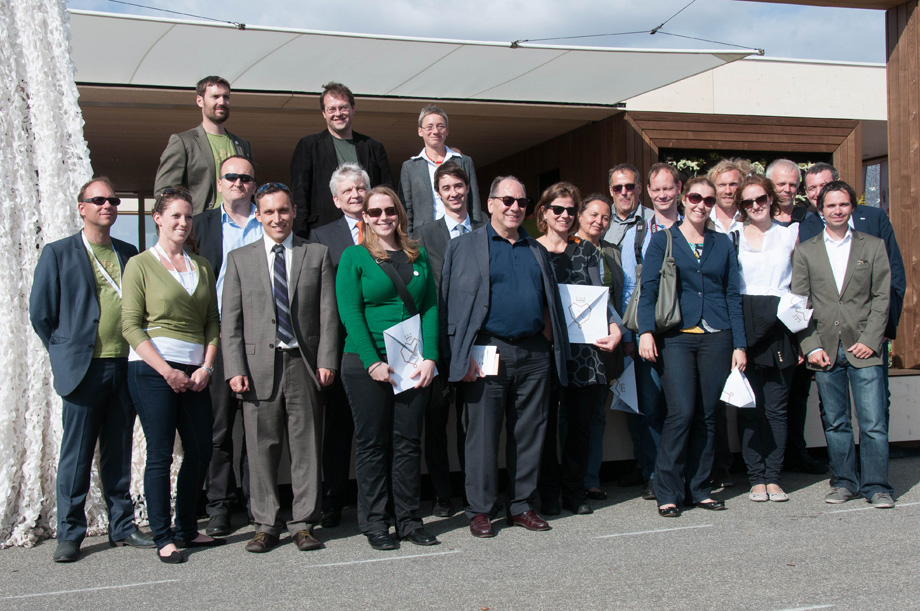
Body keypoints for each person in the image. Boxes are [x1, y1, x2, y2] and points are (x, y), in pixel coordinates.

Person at [29, 177, 153, 563]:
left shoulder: (129, 252)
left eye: (113, 200)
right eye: (98, 200)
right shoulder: (58, 253)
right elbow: (41, 314)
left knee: (118, 450)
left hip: (124, 364)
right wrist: (65, 350)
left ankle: (122, 525)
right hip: (84, 369)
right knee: (77, 454)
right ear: (81, 207)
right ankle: (70, 533)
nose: (108, 205)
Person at [440, 176, 569, 538]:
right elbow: (449, 306)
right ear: (491, 204)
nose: (515, 208)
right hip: (486, 351)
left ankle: (521, 505)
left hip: (533, 352)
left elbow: (549, 303)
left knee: (529, 432)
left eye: (522, 202)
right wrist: (459, 355)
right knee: (481, 434)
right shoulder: (464, 247)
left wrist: (547, 343)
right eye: (508, 201)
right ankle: (480, 510)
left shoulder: (535, 249)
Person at [221, 182, 339, 553]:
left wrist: (326, 359)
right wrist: (234, 367)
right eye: (269, 212)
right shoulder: (240, 259)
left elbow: (327, 314)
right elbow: (232, 321)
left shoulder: (316, 254)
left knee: (306, 448)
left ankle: (304, 523)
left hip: (303, 364)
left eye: (283, 210)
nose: (277, 218)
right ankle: (265, 524)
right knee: (261, 449)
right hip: (257, 368)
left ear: (294, 212)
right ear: (258, 215)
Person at [121, 186, 222, 564]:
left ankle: (186, 528)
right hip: (152, 372)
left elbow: (212, 321)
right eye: (175, 215)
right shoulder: (140, 264)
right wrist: (167, 372)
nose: (183, 222)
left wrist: (207, 367)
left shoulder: (202, 266)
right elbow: (131, 326)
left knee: (200, 450)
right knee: (161, 454)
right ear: (158, 218)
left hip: (196, 373)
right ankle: (163, 535)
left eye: (188, 216)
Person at [336, 186, 440, 550]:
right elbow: (350, 312)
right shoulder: (354, 257)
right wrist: (372, 363)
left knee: (408, 443)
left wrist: (431, 358)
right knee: (372, 445)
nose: (383, 218)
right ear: (364, 217)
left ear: (400, 214)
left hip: (411, 364)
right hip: (368, 364)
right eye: (375, 212)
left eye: (389, 211)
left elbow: (429, 308)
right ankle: (376, 522)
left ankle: (409, 520)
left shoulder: (419, 255)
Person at [637, 177, 746, 518]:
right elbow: (649, 289)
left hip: (717, 335)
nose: (702, 205)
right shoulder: (663, 240)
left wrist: (739, 344)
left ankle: (699, 488)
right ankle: (668, 490)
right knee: (681, 412)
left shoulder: (723, 243)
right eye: (696, 197)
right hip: (677, 336)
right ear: (684, 199)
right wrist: (645, 332)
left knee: (708, 415)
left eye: (709, 200)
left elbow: (731, 295)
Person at [792, 180, 894, 508]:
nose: (837, 210)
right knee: (836, 422)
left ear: (852, 207)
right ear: (820, 211)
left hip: (864, 348)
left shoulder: (873, 246)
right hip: (825, 351)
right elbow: (799, 302)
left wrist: (871, 339)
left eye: (843, 205)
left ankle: (877, 486)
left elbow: (882, 297)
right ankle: (844, 482)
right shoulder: (806, 250)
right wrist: (810, 345)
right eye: (831, 205)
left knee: (873, 422)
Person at [535, 183, 623, 516]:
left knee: (579, 426)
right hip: (544, 349)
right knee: (544, 426)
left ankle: (574, 491)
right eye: (558, 209)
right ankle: (547, 494)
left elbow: (598, 297)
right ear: (544, 212)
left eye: (571, 210)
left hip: (585, 350)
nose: (565, 215)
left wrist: (616, 327)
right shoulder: (531, 249)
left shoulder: (586, 250)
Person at [192, 155, 263, 536]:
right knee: (219, 429)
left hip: (262, 336)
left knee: (258, 427)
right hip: (218, 337)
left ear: (254, 184)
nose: (238, 182)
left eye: (245, 178)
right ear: (219, 183)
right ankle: (219, 505)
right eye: (231, 176)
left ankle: (259, 505)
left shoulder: (268, 222)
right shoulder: (200, 226)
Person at [413, 161, 485, 516]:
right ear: (438, 194)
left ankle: (475, 494)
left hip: (479, 342)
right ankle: (443, 495)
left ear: (467, 188)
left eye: (459, 186)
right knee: (437, 424)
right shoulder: (424, 235)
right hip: (439, 343)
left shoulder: (487, 230)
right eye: (447, 188)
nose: (454, 193)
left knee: (473, 424)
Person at [309, 162, 370, 528]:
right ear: (335, 199)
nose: (355, 195)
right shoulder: (321, 236)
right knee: (338, 430)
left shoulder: (385, 226)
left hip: (382, 342)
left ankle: (376, 500)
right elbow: (319, 298)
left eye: (360, 188)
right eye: (347, 191)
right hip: (342, 345)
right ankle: (332, 501)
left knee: (375, 429)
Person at [619, 163, 683, 500]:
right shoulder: (638, 234)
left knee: (686, 407)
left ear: (679, 190)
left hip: (688, 333)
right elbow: (631, 288)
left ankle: (683, 473)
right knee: (653, 408)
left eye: (668, 189)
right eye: (656, 190)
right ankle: (658, 474)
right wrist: (632, 336)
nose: (662, 195)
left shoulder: (695, 227)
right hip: (650, 334)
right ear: (649, 192)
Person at [733, 175, 799, 502]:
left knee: (776, 409)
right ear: (741, 206)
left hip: (779, 325)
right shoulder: (731, 237)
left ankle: (773, 476)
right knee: (748, 407)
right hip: (744, 324)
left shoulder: (790, 235)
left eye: (760, 199)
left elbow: (802, 283)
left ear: (771, 199)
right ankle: (755, 477)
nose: (755, 206)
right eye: (747, 202)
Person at [290, 82, 393, 238]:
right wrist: (300, 236)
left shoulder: (373, 147)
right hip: (324, 231)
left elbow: (387, 191)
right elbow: (300, 195)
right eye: (331, 109)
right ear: (324, 113)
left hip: (369, 232)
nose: (337, 113)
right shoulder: (308, 146)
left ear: (353, 109)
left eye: (343, 107)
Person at [575, 193, 624, 501]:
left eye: (606, 217)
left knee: (596, 415)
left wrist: (622, 334)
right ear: (580, 215)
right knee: (571, 417)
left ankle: (591, 477)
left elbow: (618, 296)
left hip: (606, 343)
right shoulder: (565, 248)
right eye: (593, 215)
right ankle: (570, 477)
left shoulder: (612, 252)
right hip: (575, 345)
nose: (599, 221)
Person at [154, 76, 253, 214]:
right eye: (215, 96)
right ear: (200, 101)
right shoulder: (183, 142)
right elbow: (164, 192)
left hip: (239, 226)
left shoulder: (242, 145)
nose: (222, 102)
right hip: (200, 227)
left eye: (226, 97)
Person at [399, 105, 482, 233]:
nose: (435, 131)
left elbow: (474, 204)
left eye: (440, 126)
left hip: (461, 231)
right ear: (420, 131)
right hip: (424, 236)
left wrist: (477, 233)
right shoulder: (410, 167)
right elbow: (406, 209)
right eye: (429, 127)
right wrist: (409, 239)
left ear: (447, 131)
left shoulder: (464, 161)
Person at [604, 163, 654, 247]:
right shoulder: (600, 220)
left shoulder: (653, 220)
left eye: (629, 187)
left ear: (639, 188)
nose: (623, 192)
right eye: (618, 188)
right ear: (611, 191)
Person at [765, 159, 810, 226]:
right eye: (781, 184)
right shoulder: (757, 221)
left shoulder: (809, 220)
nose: (787, 189)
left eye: (792, 185)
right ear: (769, 185)